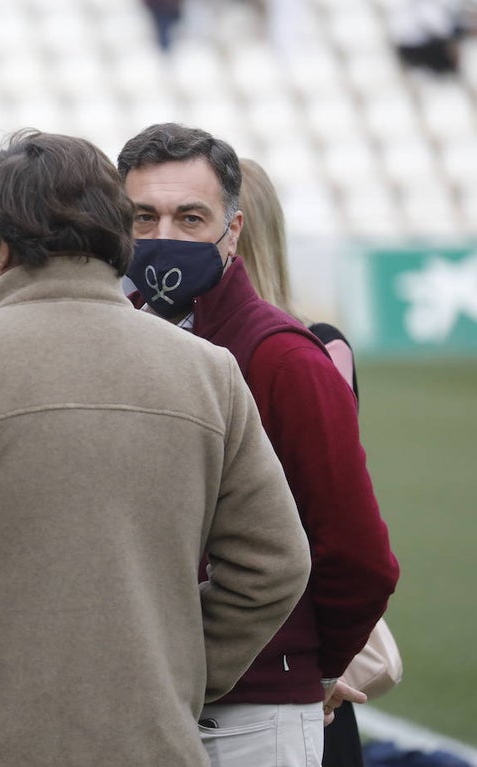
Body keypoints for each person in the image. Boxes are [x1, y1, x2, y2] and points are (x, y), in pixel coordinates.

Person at [0, 129, 313, 765]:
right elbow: (276, 563)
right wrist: (176, 674)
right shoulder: (208, 371)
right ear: (119, 234)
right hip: (152, 743)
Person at [117, 123, 400, 767]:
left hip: (250, 720)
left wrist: (307, 669)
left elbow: (358, 553)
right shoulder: (117, 343)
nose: (164, 237)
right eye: (143, 217)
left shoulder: (283, 359)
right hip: (141, 704)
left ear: (233, 229)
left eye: (191, 217)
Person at [238, 156, 375, 767]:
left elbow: (328, 521)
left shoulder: (302, 353)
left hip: (285, 658)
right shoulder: (319, 345)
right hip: (299, 653)